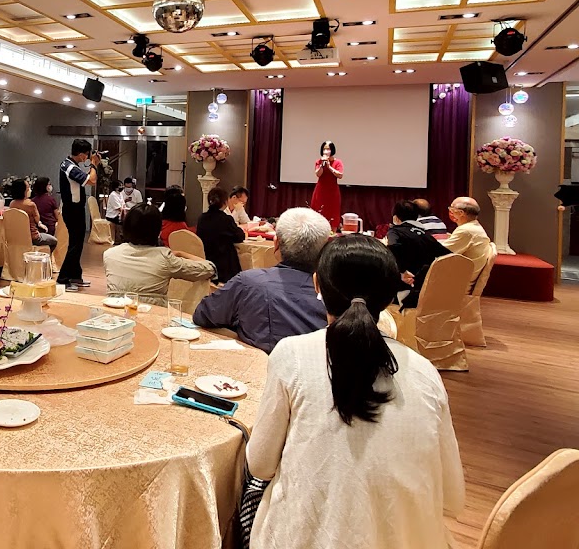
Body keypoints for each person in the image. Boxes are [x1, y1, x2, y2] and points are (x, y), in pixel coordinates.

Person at [245, 234, 464, 549]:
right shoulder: (425, 371)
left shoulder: (291, 354)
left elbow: (261, 465)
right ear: (391, 295)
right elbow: (452, 494)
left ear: (317, 284)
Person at [193, 207, 330, 353]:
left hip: (255, 370)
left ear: (276, 243)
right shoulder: (336, 294)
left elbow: (203, 315)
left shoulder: (248, 282)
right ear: (324, 251)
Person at [103, 203, 215, 302]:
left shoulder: (109, 255)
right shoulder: (164, 258)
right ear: (157, 230)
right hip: (153, 318)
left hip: (116, 318)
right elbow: (209, 268)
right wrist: (181, 253)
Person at [387, 200, 450, 309]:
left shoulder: (396, 231)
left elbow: (393, 248)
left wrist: (403, 272)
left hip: (405, 291)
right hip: (426, 290)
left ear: (396, 218)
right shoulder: (426, 235)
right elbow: (448, 255)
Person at [57, 139, 100, 292]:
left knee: (78, 243)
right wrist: (94, 165)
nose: (88, 157)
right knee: (75, 244)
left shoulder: (68, 164)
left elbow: (87, 179)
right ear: (81, 154)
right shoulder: (70, 168)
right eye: (87, 155)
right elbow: (92, 180)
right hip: (72, 209)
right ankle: (62, 279)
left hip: (74, 208)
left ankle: (75, 275)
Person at [197, 187, 244, 284]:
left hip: (205, 257)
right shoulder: (225, 219)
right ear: (225, 202)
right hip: (223, 263)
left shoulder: (202, 218)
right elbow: (239, 237)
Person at [441, 197, 491, 286]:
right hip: (464, 274)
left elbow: (440, 251)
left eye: (452, 209)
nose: (450, 211)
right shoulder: (473, 226)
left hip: (459, 280)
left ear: (461, 213)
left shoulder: (466, 231)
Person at [8, 179, 57, 248]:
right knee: (55, 241)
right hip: (33, 237)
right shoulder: (30, 205)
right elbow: (37, 219)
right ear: (23, 190)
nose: (30, 190)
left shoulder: (12, 204)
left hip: (17, 237)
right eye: (28, 188)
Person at [310, 140, 344, 230]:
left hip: (332, 191)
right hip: (320, 191)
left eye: (328, 149)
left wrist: (329, 167)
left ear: (332, 150)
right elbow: (318, 174)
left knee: (333, 212)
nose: (326, 151)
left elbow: (340, 175)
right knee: (318, 211)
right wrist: (322, 165)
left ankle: (333, 233)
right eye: (324, 149)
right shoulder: (319, 161)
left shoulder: (338, 162)